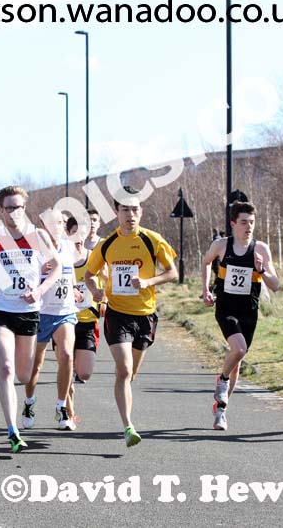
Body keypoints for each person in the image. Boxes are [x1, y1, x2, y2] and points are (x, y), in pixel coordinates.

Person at [85, 185, 178, 447]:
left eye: (135, 209)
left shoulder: (152, 239)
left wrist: (149, 281)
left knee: (130, 372)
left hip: (145, 315)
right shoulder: (108, 244)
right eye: (125, 209)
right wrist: (95, 291)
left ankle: (123, 385)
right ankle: (128, 426)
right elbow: (90, 275)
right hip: (117, 313)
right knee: (124, 369)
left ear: (141, 211)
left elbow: (173, 273)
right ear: (116, 212)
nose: (130, 214)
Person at [0, 185, 61, 452]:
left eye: (18, 207)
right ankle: (12, 430)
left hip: (29, 313)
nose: (14, 212)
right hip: (1, 311)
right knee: (7, 369)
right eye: (9, 208)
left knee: (24, 375)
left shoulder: (38, 236)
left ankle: (18, 413)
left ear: (25, 208)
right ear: (1, 210)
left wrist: (40, 290)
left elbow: (57, 266)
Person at [202, 202, 279, 431]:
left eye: (252, 222)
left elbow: (276, 285)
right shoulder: (221, 245)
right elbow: (206, 262)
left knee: (237, 361)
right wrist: (206, 289)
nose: (249, 227)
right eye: (244, 222)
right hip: (226, 308)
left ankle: (221, 411)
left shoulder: (261, 249)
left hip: (249, 311)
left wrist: (262, 270)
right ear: (233, 223)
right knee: (239, 350)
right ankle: (222, 381)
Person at [22, 209, 81, 431]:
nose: (57, 227)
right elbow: (23, 276)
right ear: (42, 226)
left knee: (66, 356)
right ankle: (29, 403)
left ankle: (61, 406)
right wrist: (39, 270)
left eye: (60, 223)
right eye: (51, 223)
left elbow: (70, 273)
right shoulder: (34, 249)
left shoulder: (67, 246)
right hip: (39, 312)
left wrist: (75, 290)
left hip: (64, 311)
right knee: (35, 365)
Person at [67, 216, 103, 421]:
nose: (78, 238)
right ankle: (67, 411)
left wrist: (102, 296)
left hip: (88, 320)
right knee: (67, 366)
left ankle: (69, 380)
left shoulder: (94, 257)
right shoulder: (61, 259)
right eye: (74, 233)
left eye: (82, 233)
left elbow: (106, 280)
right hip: (66, 320)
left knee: (85, 373)